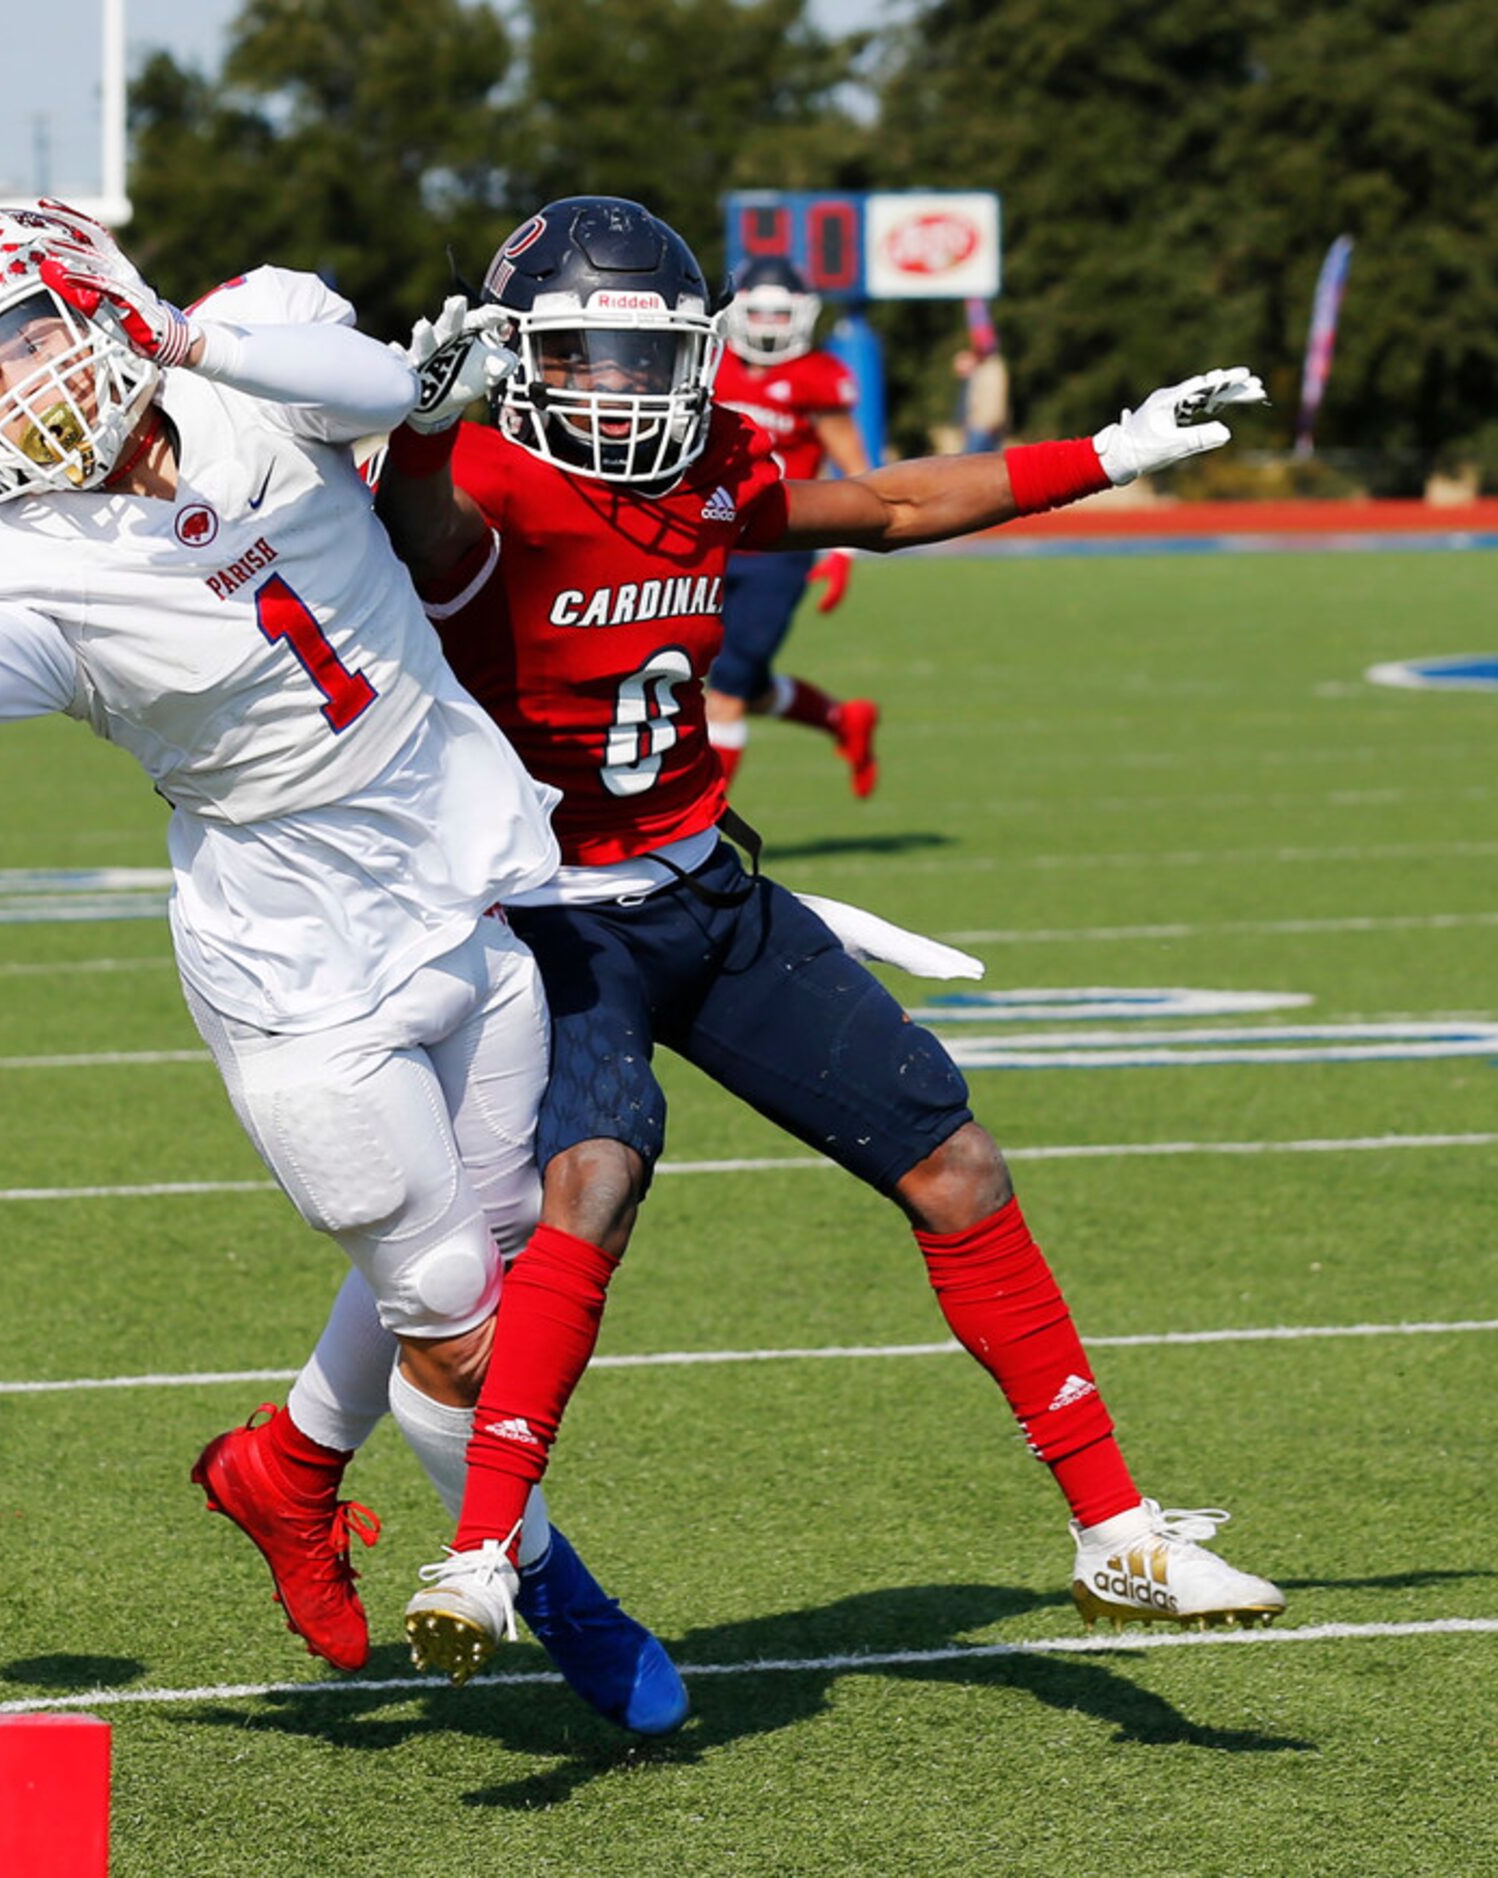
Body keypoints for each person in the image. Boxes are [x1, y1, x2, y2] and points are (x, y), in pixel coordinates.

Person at [0, 200, 687, 1734]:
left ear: (100, 296)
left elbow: (397, 391)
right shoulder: (10, 558)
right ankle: (548, 1583)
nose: (19, 385)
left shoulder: (247, 342)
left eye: (29, 333)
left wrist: (188, 344)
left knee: (474, 1253)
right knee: (451, 1311)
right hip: (297, 963)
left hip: (458, 872)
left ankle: (285, 1468)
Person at [333, 196, 1278, 1685]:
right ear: (516, 359)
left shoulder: (708, 462)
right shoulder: (487, 477)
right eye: (580, 354)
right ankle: (478, 1550)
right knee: (589, 1188)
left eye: (645, 358)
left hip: (707, 892)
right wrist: (439, 432)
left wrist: (1102, 453)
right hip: (550, 913)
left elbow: (892, 505)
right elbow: (422, 530)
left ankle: (1116, 1529)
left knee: (955, 1162)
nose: (618, 389)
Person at [705, 256, 879, 797]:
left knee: (725, 694)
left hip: (778, 549)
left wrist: (845, 553)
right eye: (759, 312)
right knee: (731, 681)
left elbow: (859, 472)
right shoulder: (708, 364)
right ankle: (840, 719)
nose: (769, 325)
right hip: (709, 541)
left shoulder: (818, 377)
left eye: (782, 313)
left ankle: (700, 827)